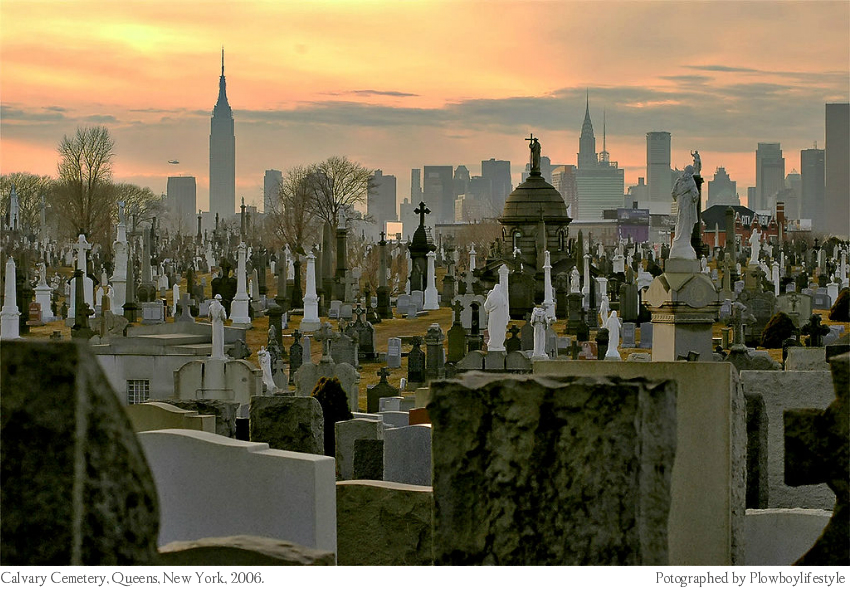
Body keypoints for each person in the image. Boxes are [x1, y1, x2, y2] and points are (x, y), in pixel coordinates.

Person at [670, 165, 700, 260]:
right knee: (686, 224)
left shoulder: (679, 181)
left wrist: (678, 199)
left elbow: (673, 193)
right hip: (687, 207)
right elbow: (695, 195)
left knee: (679, 223)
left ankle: (679, 241)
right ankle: (684, 242)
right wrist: (692, 198)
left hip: (680, 206)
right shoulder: (691, 181)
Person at [209, 293, 227, 359]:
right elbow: (224, 317)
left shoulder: (211, 307)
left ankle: (214, 353)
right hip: (219, 323)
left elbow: (209, 316)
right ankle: (220, 354)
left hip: (214, 323)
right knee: (220, 337)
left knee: (214, 337)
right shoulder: (221, 307)